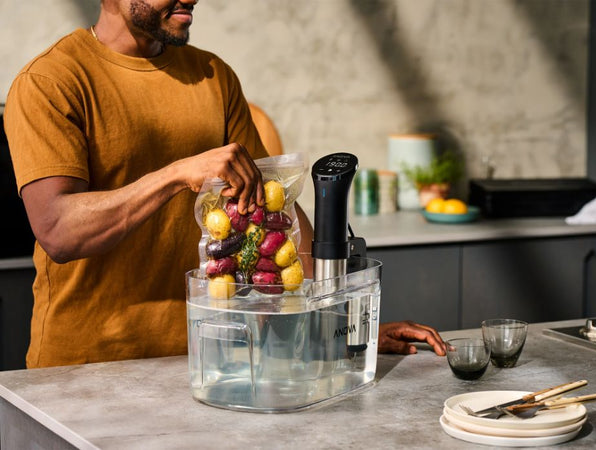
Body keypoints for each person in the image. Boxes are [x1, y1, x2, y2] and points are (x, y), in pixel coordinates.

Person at [4, 0, 444, 368]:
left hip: (208, 361)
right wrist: (176, 174)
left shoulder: (213, 76)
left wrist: (345, 324)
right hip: (81, 374)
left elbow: (278, 215)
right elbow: (58, 230)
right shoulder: (52, 81)